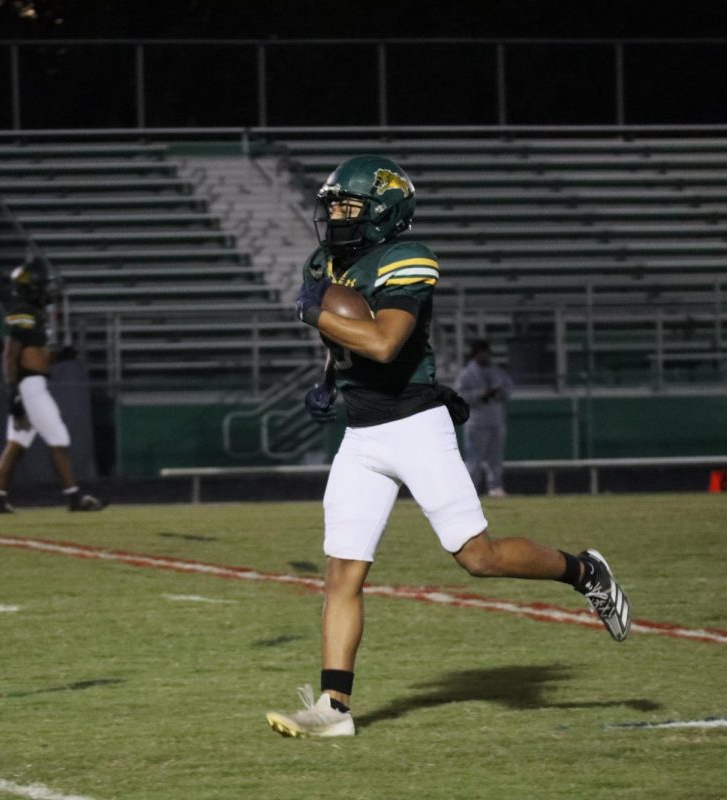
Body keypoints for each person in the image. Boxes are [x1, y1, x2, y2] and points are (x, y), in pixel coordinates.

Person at [266, 156, 631, 739]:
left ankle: (584, 571)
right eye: (333, 205)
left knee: (478, 558)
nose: (336, 216)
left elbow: (384, 343)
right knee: (342, 571)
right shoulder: (327, 260)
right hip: (360, 434)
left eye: (349, 207)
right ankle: (335, 708)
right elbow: (342, 341)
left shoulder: (408, 258)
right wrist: (328, 379)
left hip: (414, 424)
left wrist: (316, 311)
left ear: (385, 212)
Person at [0, 258, 103, 514]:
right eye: (44, 286)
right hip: (29, 387)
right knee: (58, 437)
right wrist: (14, 394)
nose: (49, 291)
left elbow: (39, 356)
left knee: (15, 444)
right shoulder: (23, 314)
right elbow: (10, 355)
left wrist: (62, 355)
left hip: (30, 385)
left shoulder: (35, 316)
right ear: (32, 288)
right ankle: (74, 498)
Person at [455, 339, 513, 497]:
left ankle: (495, 488)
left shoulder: (497, 372)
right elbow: (460, 397)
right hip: (476, 422)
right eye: (482, 353)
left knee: (495, 458)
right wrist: (481, 394)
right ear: (475, 354)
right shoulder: (466, 374)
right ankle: (469, 490)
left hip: (495, 420)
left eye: (487, 353)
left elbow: (507, 391)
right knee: (474, 459)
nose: (485, 356)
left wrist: (497, 393)